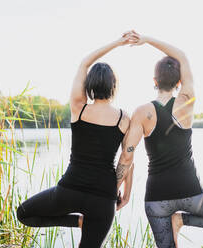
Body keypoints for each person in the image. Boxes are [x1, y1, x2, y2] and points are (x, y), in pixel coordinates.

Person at [117, 31, 203, 248]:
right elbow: (182, 56)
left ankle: (177, 220)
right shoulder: (186, 101)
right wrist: (148, 39)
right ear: (179, 82)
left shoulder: (142, 112)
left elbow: (126, 157)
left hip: (156, 200)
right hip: (192, 194)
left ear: (154, 81)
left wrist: (117, 191)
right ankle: (181, 220)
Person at [16, 32, 134, 248]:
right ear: (114, 86)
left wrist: (117, 42)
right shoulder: (124, 118)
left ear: (89, 84)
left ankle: (77, 222)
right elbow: (127, 159)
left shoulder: (78, 108)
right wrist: (125, 193)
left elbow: (84, 63)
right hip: (103, 197)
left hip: (70, 190)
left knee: (23, 214)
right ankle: (83, 221)